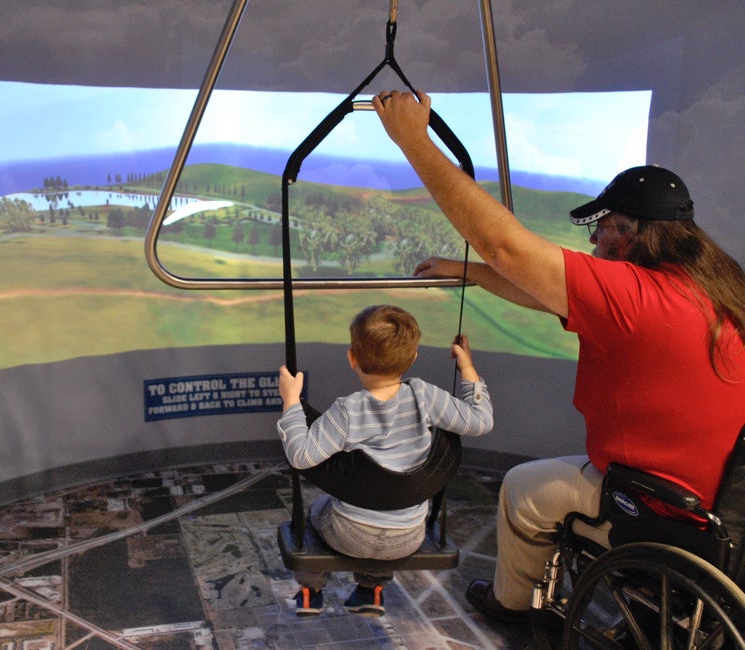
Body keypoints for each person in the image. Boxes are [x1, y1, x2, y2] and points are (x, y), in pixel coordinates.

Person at [372, 89, 745, 623]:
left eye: (601, 230)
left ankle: (515, 606)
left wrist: (413, 139)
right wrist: (471, 272)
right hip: (717, 505)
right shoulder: (712, 288)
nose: (594, 244)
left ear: (629, 233)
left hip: (658, 506)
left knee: (523, 488)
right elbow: (548, 291)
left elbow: (505, 246)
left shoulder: (635, 295)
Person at [277, 304, 494, 616]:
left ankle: (312, 591)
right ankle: (371, 589)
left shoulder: (348, 410)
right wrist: (467, 368)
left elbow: (300, 455)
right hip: (408, 537)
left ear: (352, 358)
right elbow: (481, 421)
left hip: (347, 534)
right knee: (391, 498)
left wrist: (291, 402)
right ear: (413, 357)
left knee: (318, 510)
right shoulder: (425, 396)